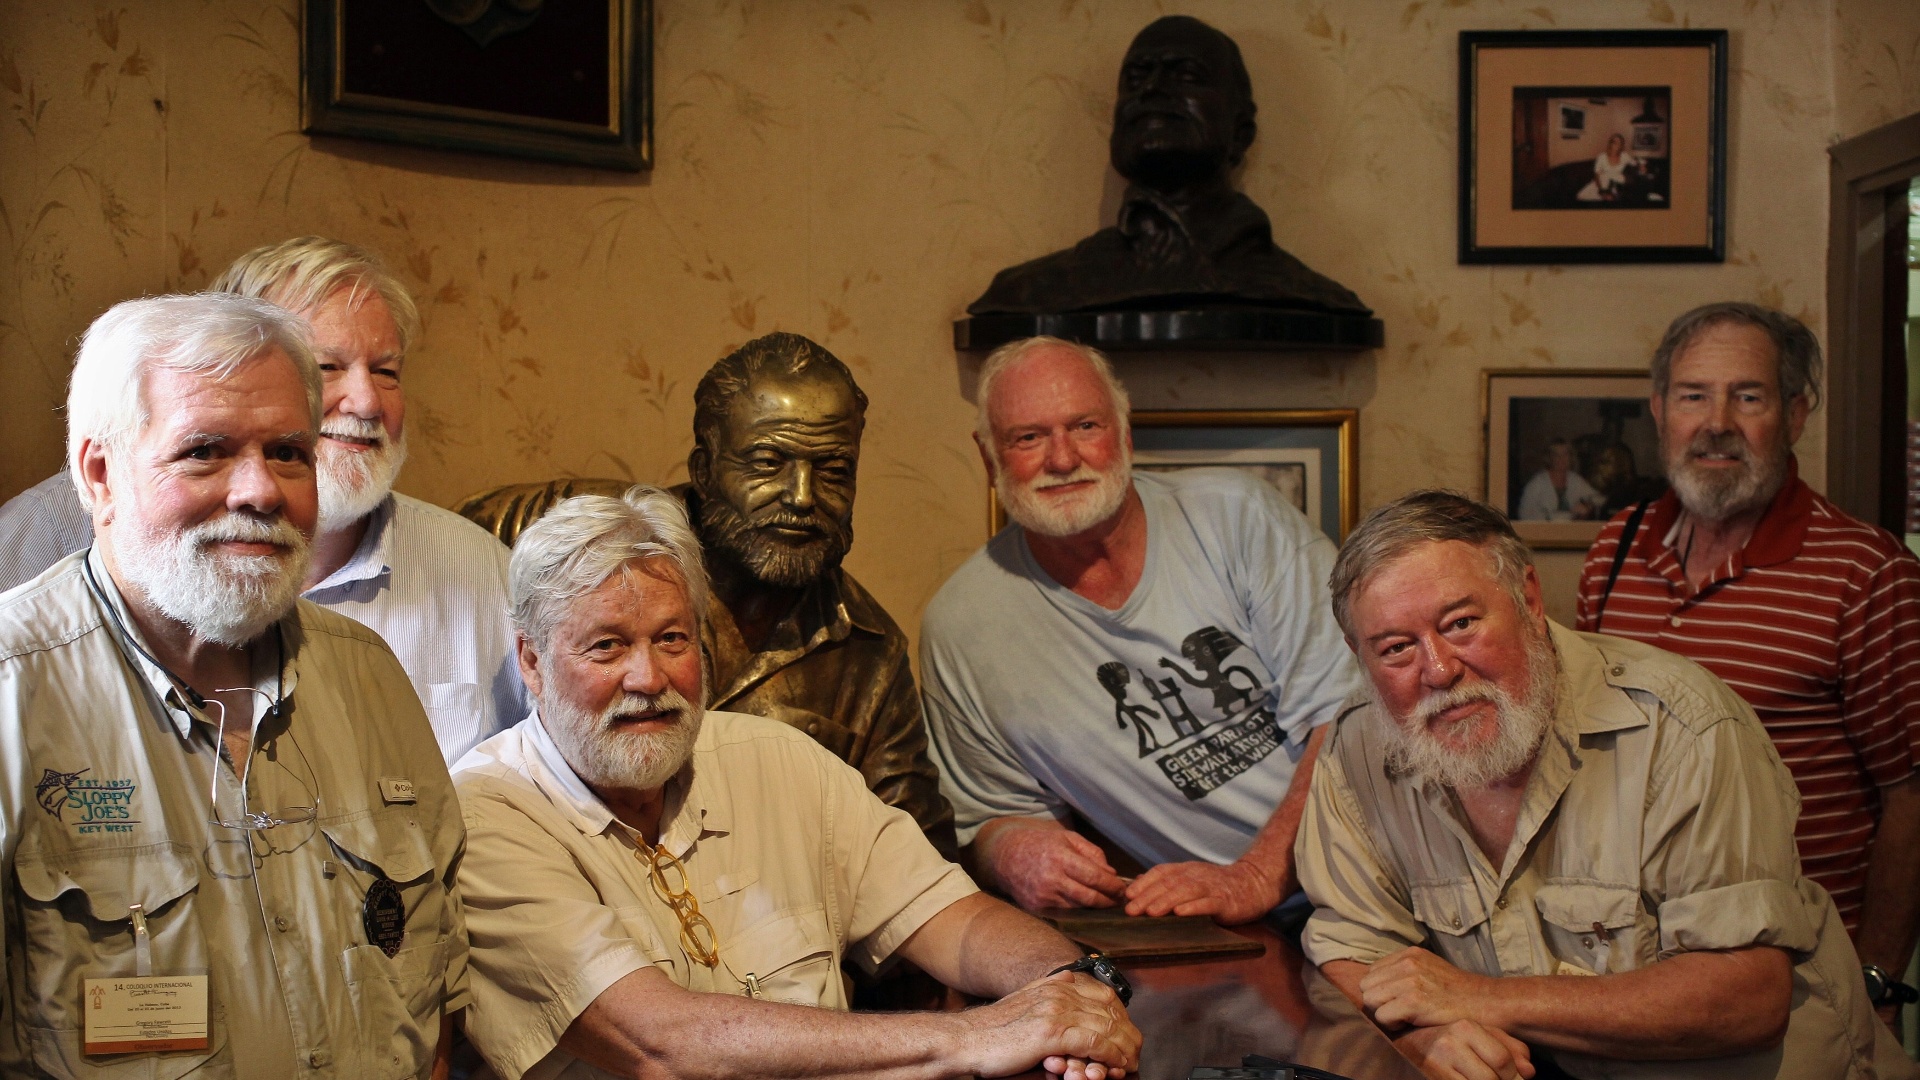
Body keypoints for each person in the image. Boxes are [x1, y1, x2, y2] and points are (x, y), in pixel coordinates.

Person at [451, 487, 1140, 1080]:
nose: (649, 679)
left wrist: (1072, 989)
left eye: (672, 639)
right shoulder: (484, 816)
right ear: (532, 662)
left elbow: (957, 924)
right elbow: (663, 1044)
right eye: (607, 646)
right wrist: (979, 1038)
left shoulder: (778, 758)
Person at [0, 294, 466, 1075]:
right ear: (100, 473)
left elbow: (435, 1001)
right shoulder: (14, 692)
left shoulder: (370, 677)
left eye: (288, 451)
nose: (260, 491)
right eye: (205, 450)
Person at [1298, 489, 1906, 1080]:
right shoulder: (1358, 745)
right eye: (1396, 649)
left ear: (1529, 599)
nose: (1438, 670)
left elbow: (1747, 998)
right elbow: (1351, 949)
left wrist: (1478, 999)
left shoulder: (1686, 726)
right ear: (1358, 654)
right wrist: (1422, 1036)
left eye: (1460, 623)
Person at [0, 237, 529, 761]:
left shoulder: (482, 572)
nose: (367, 401)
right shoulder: (42, 537)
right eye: (326, 367)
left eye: (387, 372)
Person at [920, 336, 1364, 924]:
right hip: (1219, 930)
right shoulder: (961, 627)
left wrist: (1255, 876)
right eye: (1028, 437)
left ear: (1125, 435)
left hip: (1379, 870)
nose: (1061, 459)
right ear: (989, 456)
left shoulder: (1239, 519)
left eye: (1084, 426)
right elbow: (992, 816)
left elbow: (1351, 719)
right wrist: (1012, 852)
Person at [1575, 302, 1920, 1015]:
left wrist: (1876, 981)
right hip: (1630, 977)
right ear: (1660, 409)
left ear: (1795, 416)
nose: (1717, 421)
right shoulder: (1614, 549)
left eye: (1749, 396)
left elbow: (1911, 797)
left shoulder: (1866, 571)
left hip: (1800, 984)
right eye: (1694, 395)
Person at [681, 332, 955, 855]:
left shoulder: (869, 652)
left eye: (833, 470)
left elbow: (918, 857)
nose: (803, 497)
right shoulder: (601, 550)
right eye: (767, 463)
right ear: (704, 471)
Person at [967, 15, 1369, 319]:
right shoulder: (1029, 291)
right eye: (1136, 77)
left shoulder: (1305, 295)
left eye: (1187, 75)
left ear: (1241, 132)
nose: (1152, 89)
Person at [1514, 438, 1602, 521]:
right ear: (1549, 458)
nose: (1561, 459)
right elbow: (1523, 514)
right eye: (1556, 455)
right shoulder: (1537, 483)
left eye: (1565, 454)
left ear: (1571, 457)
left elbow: (1597, 499)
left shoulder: (1575, 480)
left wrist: (1587, 505)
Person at [1578, 133, 1643, 202]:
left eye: (1619, 143)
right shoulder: (1602, 156)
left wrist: (1641, 165)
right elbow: (1596, 175)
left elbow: (1635, 163)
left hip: (1615, 183)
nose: (1617, 144)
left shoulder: (1624, 156)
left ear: (1621, 145)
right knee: (1582, 196)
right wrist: (1601, 190)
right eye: (1614, 142)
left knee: (1610, 198)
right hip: (1601, 182)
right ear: (1610, 143)